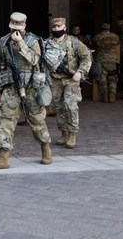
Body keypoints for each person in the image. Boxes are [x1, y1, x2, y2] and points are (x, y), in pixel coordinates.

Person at [0, 12, 52, 169]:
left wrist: (21, 43)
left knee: (36, 120)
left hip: (31, 88)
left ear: (25, 26)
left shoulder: (32, 41)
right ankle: (3, 157)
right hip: (11, 87)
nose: (15, 31)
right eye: (13, 28)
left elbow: (35, 60)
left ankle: (46, 148)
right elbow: (0, 66)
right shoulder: (3, 41)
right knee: (6, 120)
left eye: (19, 28)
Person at [46, 17, 91, 149]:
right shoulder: (47, 43)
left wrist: (80, 72)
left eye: (58, 27)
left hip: (71, 80)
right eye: (54, 27)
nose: (56, 29)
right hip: (55, 80)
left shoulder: (74, 42)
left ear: (64, 28)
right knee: (59, 108)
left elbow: (86, 57)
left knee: (70, 106)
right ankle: (64, 133)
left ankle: (72, 133)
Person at [92, 22, 121, 103]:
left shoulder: (97, 36)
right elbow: (118, 44)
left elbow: (93, 43)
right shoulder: (115, 36)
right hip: (113, 60)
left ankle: (104, 97)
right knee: (113, 79)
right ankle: (112, 97)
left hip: (101, 60)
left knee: (102, 79)